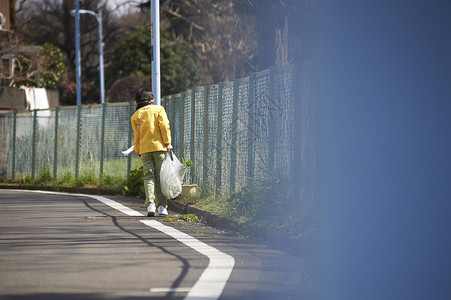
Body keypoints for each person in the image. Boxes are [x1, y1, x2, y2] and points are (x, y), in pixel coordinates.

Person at [131, 88, 173, 217]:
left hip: (144, 149)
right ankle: (162, 207)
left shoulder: (135, 116)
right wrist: (167, 143)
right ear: (151, 101)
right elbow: (164, 127)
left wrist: (138, 150)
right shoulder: (158, 109)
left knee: (148, 177)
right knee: (160, 177)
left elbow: (137, 136)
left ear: (136, 102)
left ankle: (150, 205)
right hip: (159, 148)